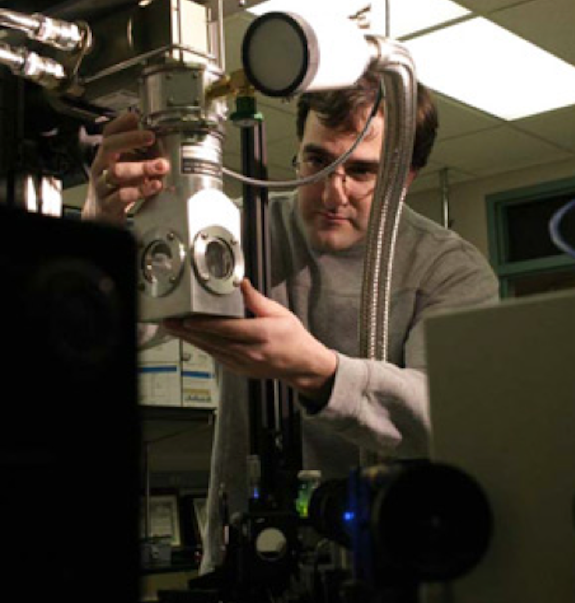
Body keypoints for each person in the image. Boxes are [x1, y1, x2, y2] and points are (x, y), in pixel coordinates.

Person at [83, 71, 499, 572]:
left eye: (361, 171)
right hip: (243, 560)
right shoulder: (235, 230)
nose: (331, 193)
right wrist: (101, 233)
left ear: (404, 178)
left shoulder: (449, 269)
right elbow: (111, 333)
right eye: (318, 161)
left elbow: (449, 420)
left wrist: (320, 372)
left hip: (392, 556)